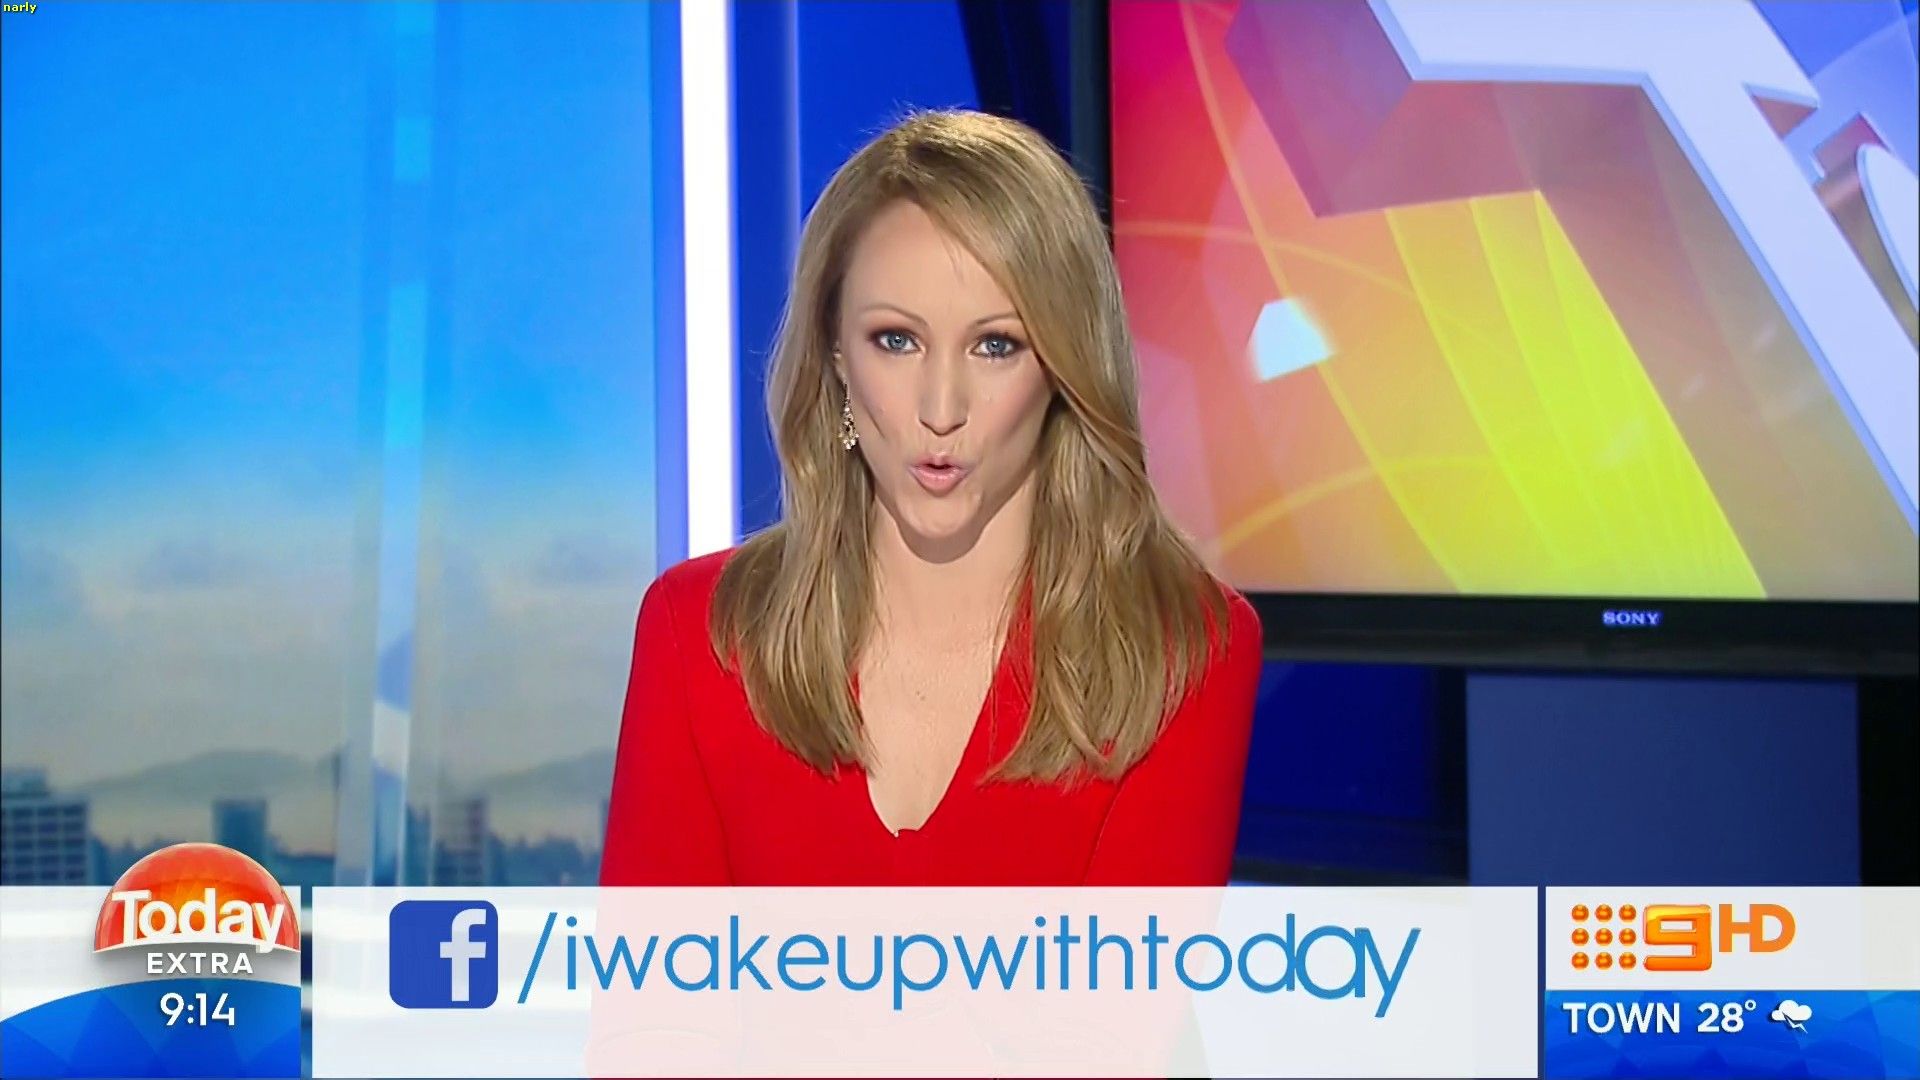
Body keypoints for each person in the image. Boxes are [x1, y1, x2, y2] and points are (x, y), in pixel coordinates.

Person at [599, 109, 1261, 887]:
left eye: (995, 345)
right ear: (835, 354)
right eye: (897, 340)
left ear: (1064, 367)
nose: (940, 408)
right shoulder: (701, 636)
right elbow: (657, 967)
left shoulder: (1181, 650)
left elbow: (1130, 972)